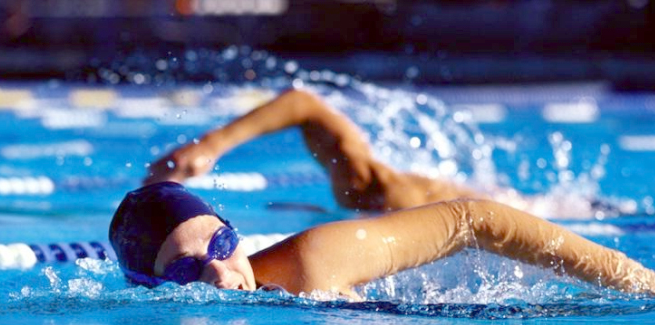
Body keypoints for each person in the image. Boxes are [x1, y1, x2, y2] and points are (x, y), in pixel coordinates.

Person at [110, 181, 655, 299]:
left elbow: (473, 219)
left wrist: (646, 285)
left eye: (221, 243)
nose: (218, 271)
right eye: (185, 271)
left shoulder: (312, 264)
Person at [144, 88, 506, 212]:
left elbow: (304, 103)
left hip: (500, 207)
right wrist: (210, 145)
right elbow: (304, 104)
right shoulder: (365, 189)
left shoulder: (373, 192)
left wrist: (211, 144)